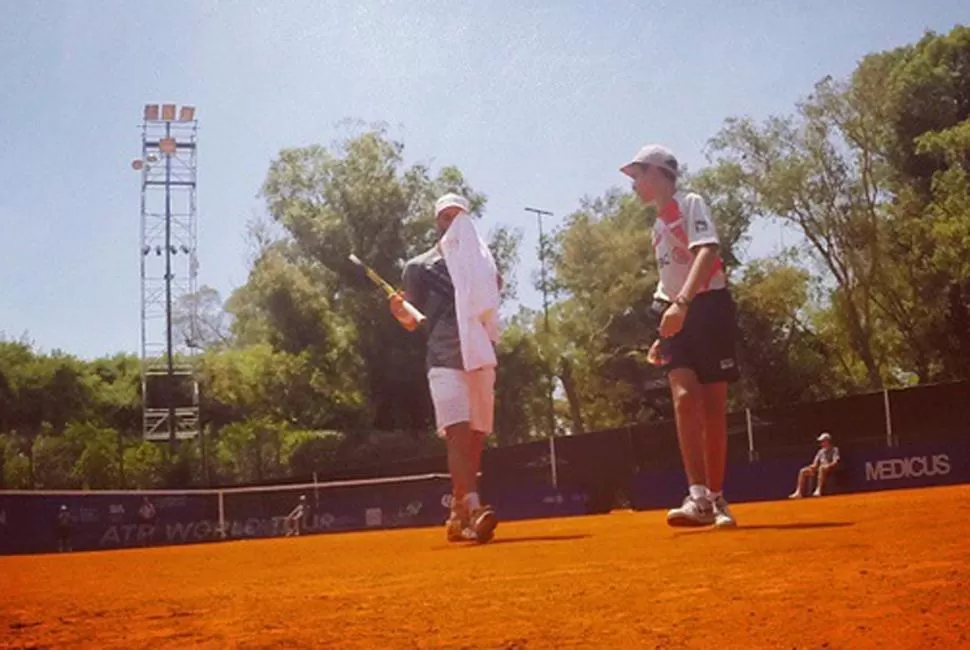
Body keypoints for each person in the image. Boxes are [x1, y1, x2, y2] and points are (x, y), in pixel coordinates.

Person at [621, 144, 741, 528]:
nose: (634, 183)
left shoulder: (690, 203)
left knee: (712, 406)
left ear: (657, 174)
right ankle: (698, 498)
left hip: (708, 307)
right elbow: (667, 280)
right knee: (684, 398)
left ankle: (719, 498)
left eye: (637, 175)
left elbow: (707, 251)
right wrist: (665, 326)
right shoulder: (656, 227)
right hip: (676, 311)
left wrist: (684, 304)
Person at [391, 192, 501, 544]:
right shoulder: (418, 267)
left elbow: (489, 305)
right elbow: (412, 320)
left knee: (476, 437)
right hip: (442, 358)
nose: (452, 221)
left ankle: (457, 512)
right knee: (458, 432)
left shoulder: (485, 263)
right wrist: (399, 312)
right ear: (436, 221)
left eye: (458, 215)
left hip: (481, 356)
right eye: (445, 216)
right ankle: (474, 506)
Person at [790, 432, 841, 498]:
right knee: (803, 471)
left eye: (822, 441)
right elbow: (815, 464)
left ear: (827, 441)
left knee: (821, 468)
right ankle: (798, 492)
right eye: (821, 441)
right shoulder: (820, 452)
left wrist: (828, 465)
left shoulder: (835, 449)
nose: (821, 443)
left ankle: (818, 490)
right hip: (820, 468)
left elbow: (836, 461)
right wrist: (811, 467)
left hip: (830, 468)